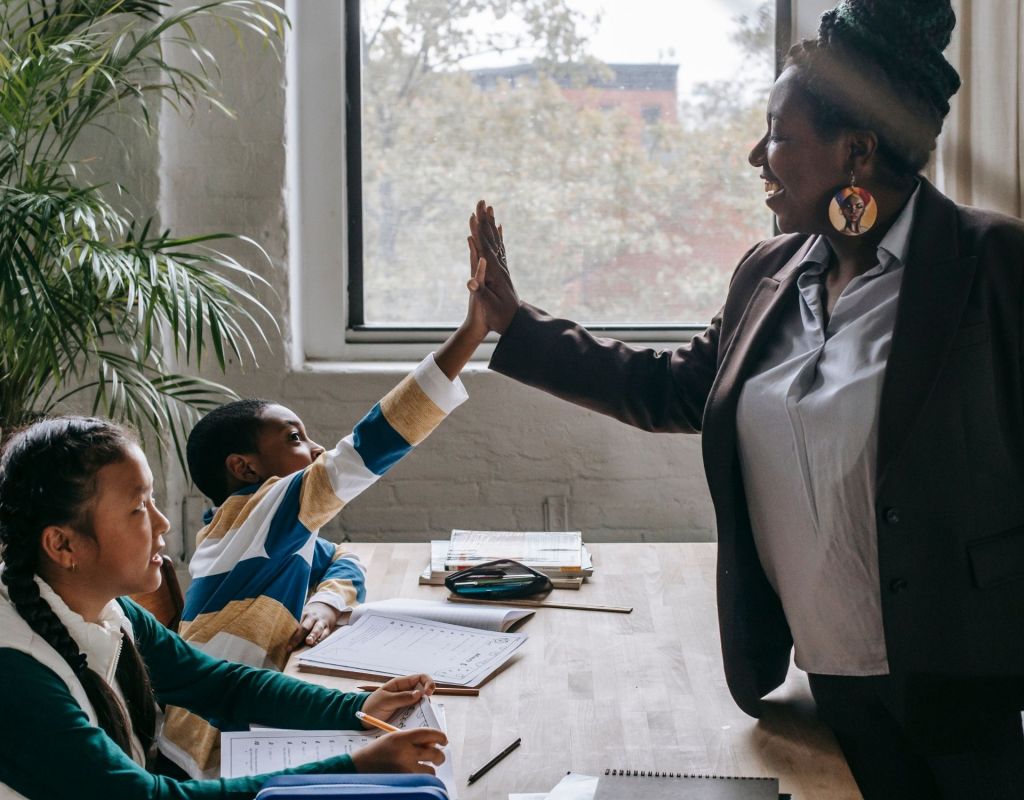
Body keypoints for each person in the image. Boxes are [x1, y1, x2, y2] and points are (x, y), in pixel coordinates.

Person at [464, 1, 1024, 797]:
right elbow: (674, 389)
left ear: (856, 152)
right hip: (820, 685)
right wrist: (513, 326)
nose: (755, 155)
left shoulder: (993, 266)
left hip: (964, 693)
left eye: (778, 134)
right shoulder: (768, 273)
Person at [0, 417, 448, 799]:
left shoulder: (105, 608)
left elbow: (219, 685)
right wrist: (351, 768)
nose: (163, 522)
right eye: (138, 508)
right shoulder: (16, 674)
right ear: (62, 544)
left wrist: (357, 706)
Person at [162, 267, 490, 778]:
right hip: (209, 750)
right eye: (294, 438)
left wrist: (327, 599)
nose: (313, 448)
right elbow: (367, 448)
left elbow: (341, 557)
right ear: (244, 467)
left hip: (245, 721)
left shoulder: (257, 526)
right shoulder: (260, 510)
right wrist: (471, 334)